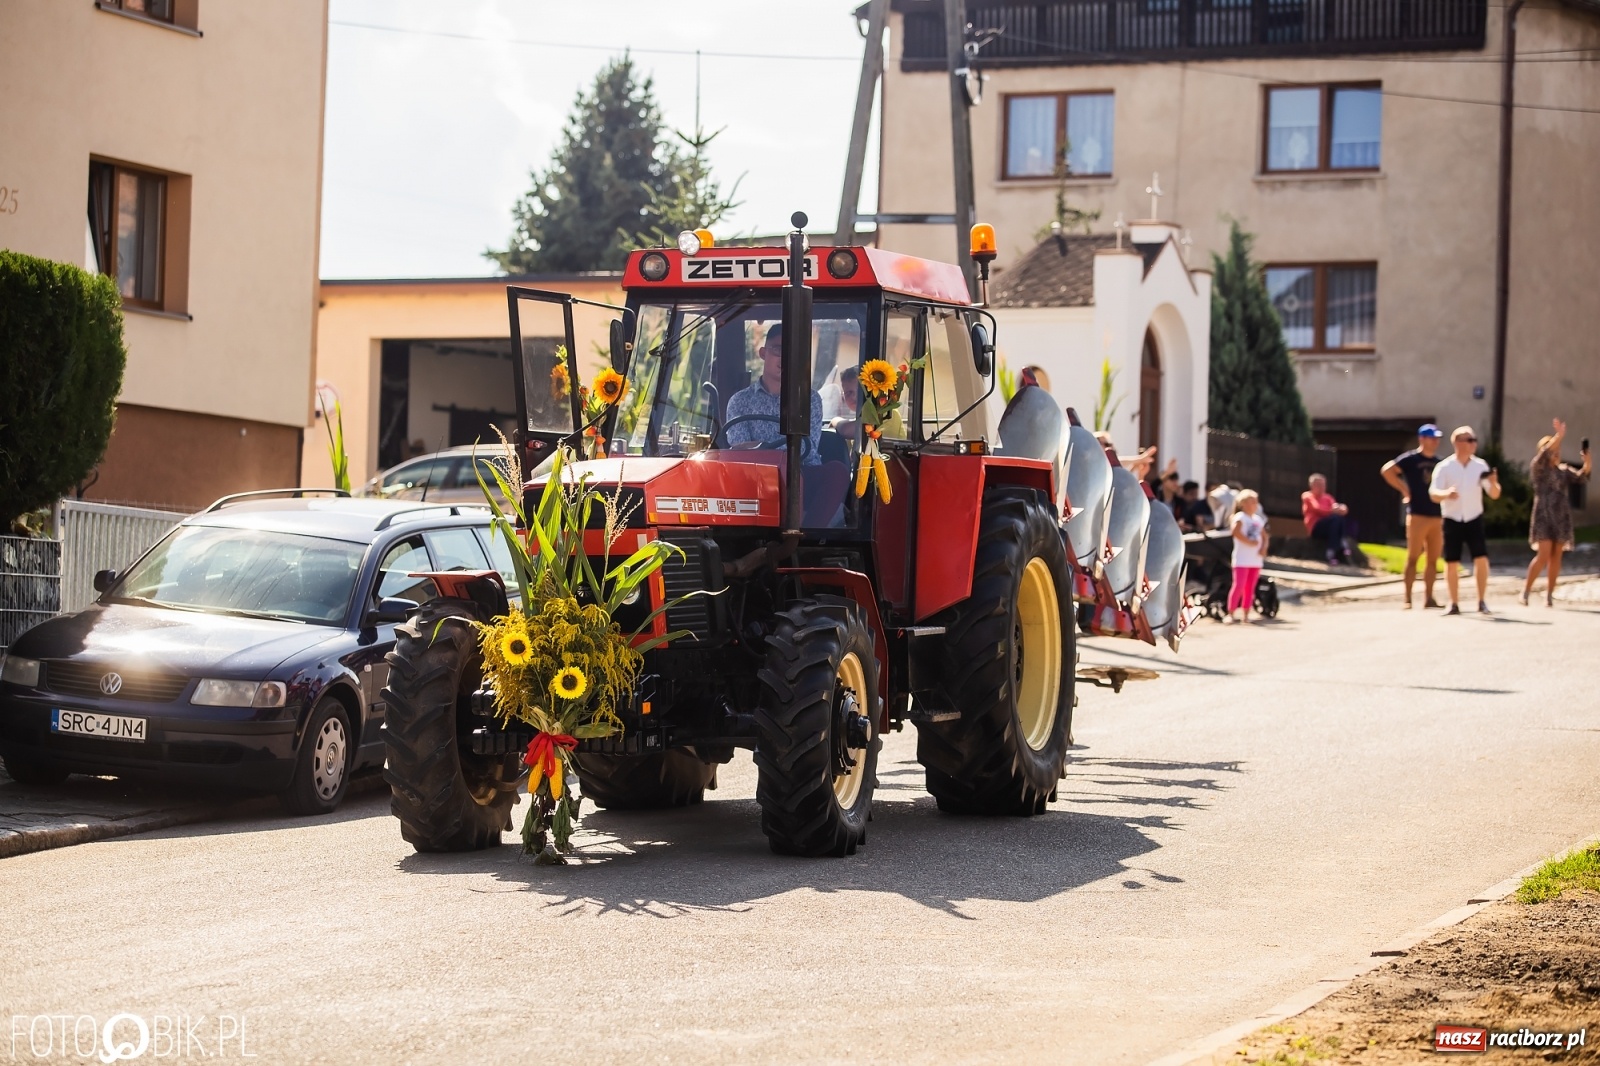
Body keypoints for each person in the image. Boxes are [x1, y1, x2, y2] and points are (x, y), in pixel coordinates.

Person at [724, 324, 822, 466]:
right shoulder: (739, 401)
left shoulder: (810, 399)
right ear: (763, 353)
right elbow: (741, 454)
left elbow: (808, 450)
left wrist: (761, 446)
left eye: (793, 353)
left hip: (805, 476)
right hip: (756, 478)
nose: (786, 359)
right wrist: (786, 449)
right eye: (779, 350)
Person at [1429, 425, 1501, 615]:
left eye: (1474, 440)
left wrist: (1494, 483)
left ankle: (1481, 601)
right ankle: (1453, 603)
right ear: (1458, 443)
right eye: (1469, 440)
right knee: (1451, 561)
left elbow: (1493, 494)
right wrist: (1446, 494)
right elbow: (1433, 493)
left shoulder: (1480, 466)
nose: (1473, 444)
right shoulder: (1444, 467)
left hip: (1473, 517)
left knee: (1481, 558)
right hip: (1452, 518)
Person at [1521, 418, 1592, 606]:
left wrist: (1587, 463)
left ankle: (1549, 595)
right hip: (1543, 515)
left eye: (1558, 451)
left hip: (1561, 516)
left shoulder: (1563, 471)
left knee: (1556, 557)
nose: (1557, 454)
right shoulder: (1539, 469)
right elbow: (1543, 455)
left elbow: (1581, 478)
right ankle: (1526, 591)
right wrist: (1559, 436)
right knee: (1543, 554)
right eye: (1554, 451)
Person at [1381, 423, 1446, 609]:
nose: (1436, 441)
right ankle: (1407, 598)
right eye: (1432, 438)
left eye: (1437, 438)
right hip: (1417, 514)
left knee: (1433, 559)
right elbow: (1387, 470)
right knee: (1413, 557)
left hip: (1436, 515)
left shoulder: (1439, 463)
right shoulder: (1410, 459)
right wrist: (1404, 490)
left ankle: (1429, 598)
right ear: (1422, 439)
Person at [1227, 489, 1268, 623]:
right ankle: (1231, 612)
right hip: (1242, 559)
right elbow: (1236, 532)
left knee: (1250, 587)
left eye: (1256, 502)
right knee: (1239, 585)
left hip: (1255, 559)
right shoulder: (1240, 517)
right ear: (1243, 503)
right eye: (1252, 502)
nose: (1255, 505)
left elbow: (1265, 536)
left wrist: (1263, 548)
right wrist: (1249, 542)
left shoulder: (1258, 519)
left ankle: (1246, 613)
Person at [1301, 474, 1351, 565]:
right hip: (1315, 527)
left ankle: (1334, 549)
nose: (1322, 487)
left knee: (1338, 518)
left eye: (1323, 485)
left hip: (1329, 526)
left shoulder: (1328, 497)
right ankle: (1338, 546)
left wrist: (1342, 509)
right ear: (1312, 485)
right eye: (1319, 485)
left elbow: (1336, 508)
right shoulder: (1307, 496)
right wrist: (1332, 511)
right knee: (1335, 519)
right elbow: (1317, 509)